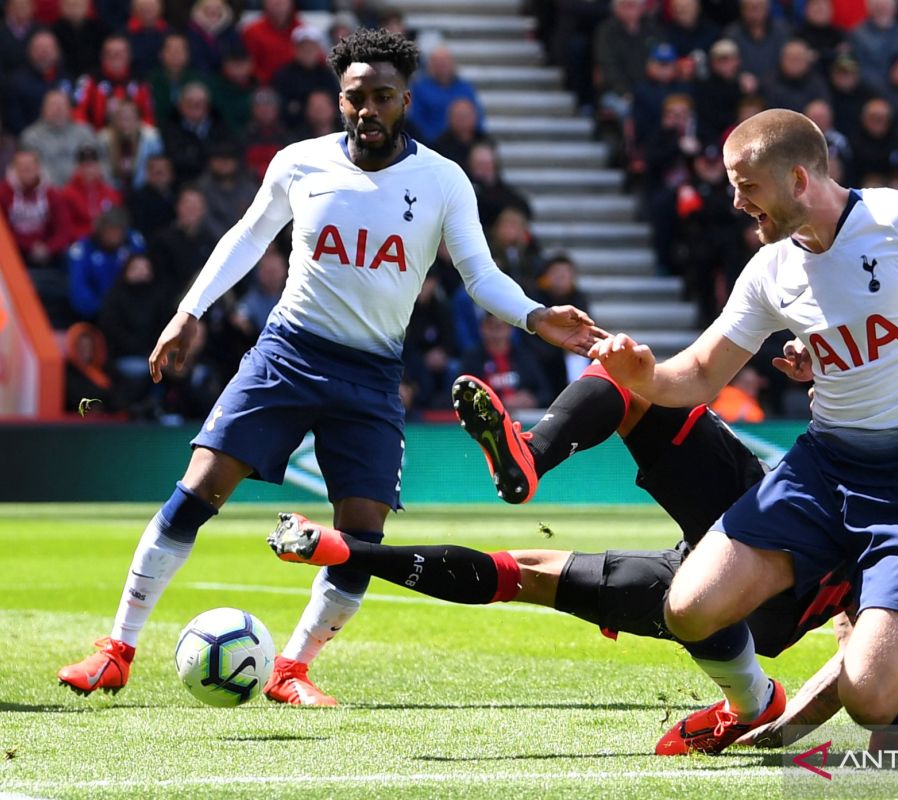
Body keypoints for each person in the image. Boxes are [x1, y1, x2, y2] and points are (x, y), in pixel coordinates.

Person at [57, 28, 605, 707]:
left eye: (382, 97)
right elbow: (248, 236)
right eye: (355, 97)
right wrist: (190, 311)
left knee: (362, 535)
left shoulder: (442, 180)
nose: (368, 109)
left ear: (405, 100)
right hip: (287, 354)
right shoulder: (299, 164)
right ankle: (116, 650)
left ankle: (291, 669)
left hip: (373, 376)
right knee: (199, 488)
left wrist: (535, 316)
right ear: (337, 100)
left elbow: (479, 274)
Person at [589, 109, 898, 755]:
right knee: (689, 608)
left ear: (799, 178)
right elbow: (696, 375)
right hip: (822, 472)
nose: (736, 201)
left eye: (746, 185)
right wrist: (643, 376)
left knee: (871, 701)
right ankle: (780, 689)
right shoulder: (770, 270)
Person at [268, 365, 860, 753]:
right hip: (738, 553)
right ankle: (361, 541)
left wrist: (788, 729)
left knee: (632, 386)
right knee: (524, 571)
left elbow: (873, 667)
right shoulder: (873, 474)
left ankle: (750, 701)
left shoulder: (894, 509)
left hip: (750, 566)